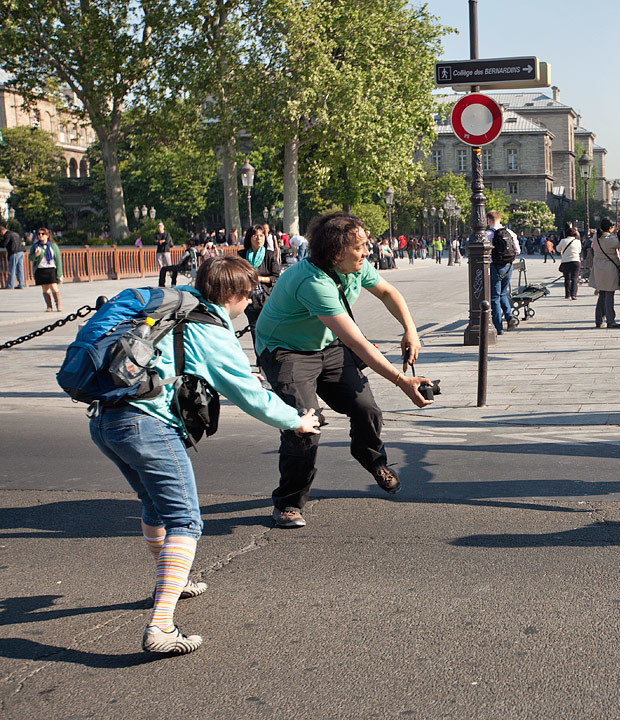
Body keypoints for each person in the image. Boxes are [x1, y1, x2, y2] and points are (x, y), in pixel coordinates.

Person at [89, 255, 320, 654]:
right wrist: (295, 421)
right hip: (149, 426)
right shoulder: (209, 326)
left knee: (155, 507)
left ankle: (174, 581)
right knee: (186, 520)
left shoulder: (173, 309)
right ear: (235, 294)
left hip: (106, 422)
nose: (249, 304)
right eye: (249, 296)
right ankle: (160, 627)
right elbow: (249, 396)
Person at [254, 211, 433, 529]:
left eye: (366, 244)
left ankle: (372, 459)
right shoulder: (313, 282)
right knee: (304, 423)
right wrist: (402, 380)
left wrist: (410, 329)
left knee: (366, 408)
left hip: (326, 345)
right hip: (286, 351)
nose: (368, 251)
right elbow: (357, 342)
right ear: (336, 252)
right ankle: (288, 503)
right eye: (360, 246)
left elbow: (389, 293)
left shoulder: (355, 267)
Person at [238, 224, 281, 359]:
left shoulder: (269, 255)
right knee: (255, 331)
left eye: (261, 235)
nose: (258, 238)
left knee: (268, 330)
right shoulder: (242, 255)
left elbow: (276, 277)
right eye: (255, 235)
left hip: (266, 298)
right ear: (249, 238)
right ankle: (260, 360)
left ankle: (268, 358)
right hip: (249, 298)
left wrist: (259, 278)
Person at [487, 210, 521, 334]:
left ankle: (498, 327)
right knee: (503, 293)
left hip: (495, 267)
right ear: (500, 219)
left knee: (495, 296)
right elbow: (517, 250)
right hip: (508, 266)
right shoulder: (510, 232)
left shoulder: (487, 234)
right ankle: (509, 317)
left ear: (489, 220)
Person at [590, 217, 620, 328]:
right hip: (609, 268)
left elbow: (605, 234)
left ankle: (599, 319)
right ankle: (611, 320)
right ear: (610, 228)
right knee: (610, 294)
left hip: (598, 267)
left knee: (602, 294)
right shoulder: (611, 240)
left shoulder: (596, 236)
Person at [28, 228, 63, 311]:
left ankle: (58, 305)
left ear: (47, 235)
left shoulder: (53, 246)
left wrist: (59, 273)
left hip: (51, 269)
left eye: (42, 234)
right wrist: (36, 255)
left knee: (54, 287)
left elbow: (57, 259)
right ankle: (49, 306)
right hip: (41, 269)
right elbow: (30, 257)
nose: (40, 235)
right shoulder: (35, 246)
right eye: (39, 234)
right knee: (45, 289)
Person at [557, 226, 582, 300]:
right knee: (574, 278)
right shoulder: (577, 241)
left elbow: (558, 249)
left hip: (565, 261)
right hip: (575, 261)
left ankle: (567, 294)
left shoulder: (563, 241)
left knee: (567, 278)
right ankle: (573, 294)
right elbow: (579, 250)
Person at [2, 223, 25, 289]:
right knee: (20, 269)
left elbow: (4, 244)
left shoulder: (7, 235)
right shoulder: (15, 233)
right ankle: (21, 284)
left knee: (12, 269)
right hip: (21, 251)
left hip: (14, 252)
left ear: (2, 231)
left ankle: (10, 285)